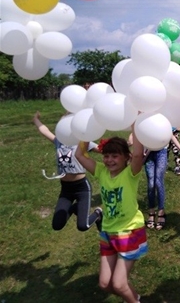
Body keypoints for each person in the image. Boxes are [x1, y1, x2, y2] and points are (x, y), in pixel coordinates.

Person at [76, 132, 147, 303]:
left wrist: (136, 123)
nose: (109, 160)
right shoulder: (101, 172)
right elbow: (79, 154)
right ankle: (134, 297)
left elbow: (138, 153)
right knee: (104, 284)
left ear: (126, 158)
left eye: (115, 156)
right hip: (108, 231)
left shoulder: (131, 173)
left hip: (129, 231)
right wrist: (87, 129)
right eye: (106, 156)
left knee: (119, 284)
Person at [33, 111, 102, 232]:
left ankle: (98, 214)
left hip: (82, 188)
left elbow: (101, 150)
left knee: (83, 226)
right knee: (57, 225)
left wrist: (125, 146)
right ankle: (76, 208)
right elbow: (44, 131)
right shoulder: (58, 141)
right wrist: (36, 120)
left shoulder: (82, 141)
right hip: (65, 189)